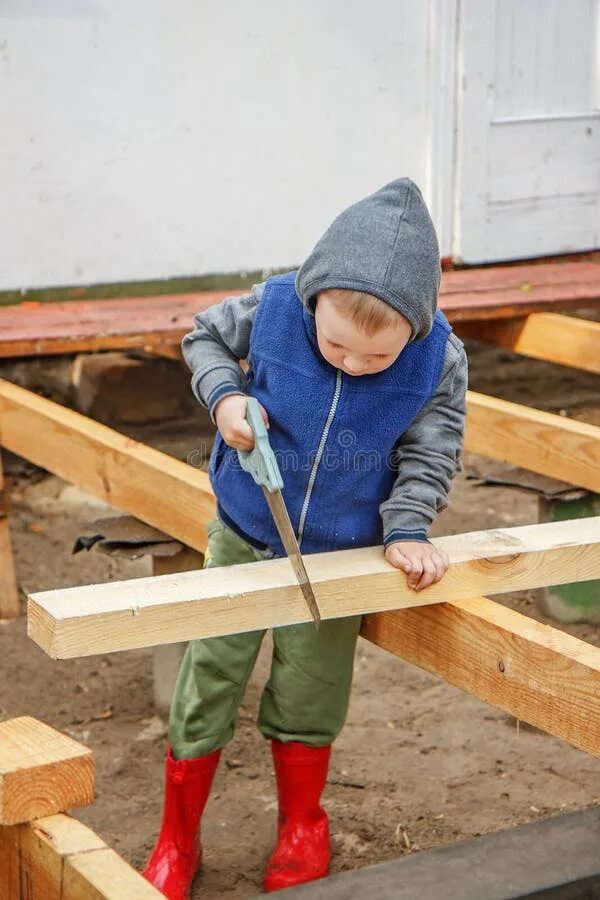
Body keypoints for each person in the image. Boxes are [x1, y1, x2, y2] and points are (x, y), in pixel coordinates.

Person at [143, 178, 468, 899]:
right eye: (337, 346)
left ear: (413, 331)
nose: (352, 364)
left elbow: (432, 451)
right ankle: (177, 837)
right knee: (209, 677)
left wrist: (408, 527)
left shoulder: (438, 358)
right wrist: (226, 396)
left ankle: (301, 826)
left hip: (342, 550)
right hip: (246, 529)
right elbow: (203, 337)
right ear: (315, 298)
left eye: (374, 359)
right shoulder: (275, 306)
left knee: (313, 689)